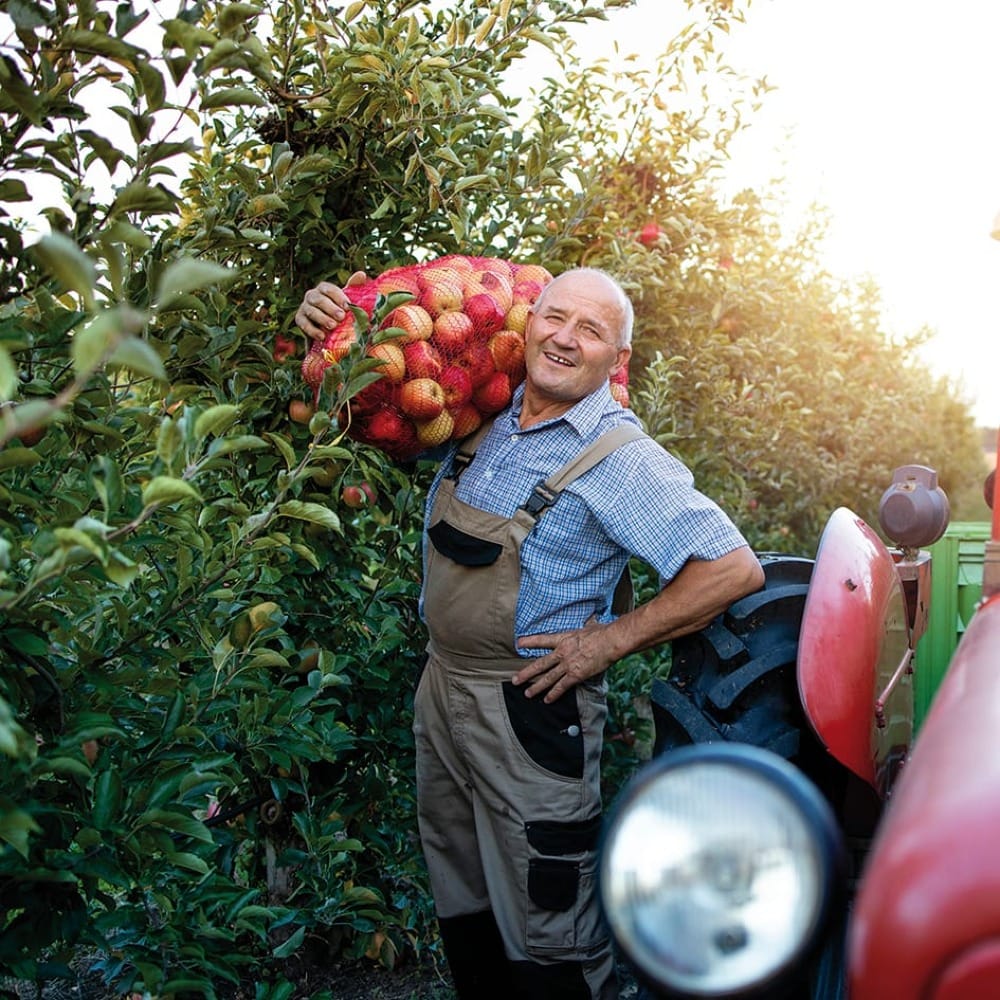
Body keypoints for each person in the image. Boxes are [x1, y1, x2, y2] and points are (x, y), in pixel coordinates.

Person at [295, 267, 765, 999]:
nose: (566, 339)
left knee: (548, 925)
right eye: (556, 318)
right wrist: (332, 330)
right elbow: (365, 413)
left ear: (619, 360)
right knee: (465, 899)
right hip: (444, 688)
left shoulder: (620, 458)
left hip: (528, 707)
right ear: (528, 322)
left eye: (593, 330)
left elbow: (731, 568)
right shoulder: (484, 415)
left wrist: (607, 642)